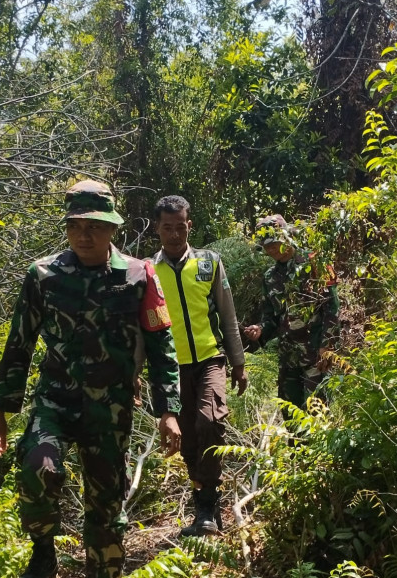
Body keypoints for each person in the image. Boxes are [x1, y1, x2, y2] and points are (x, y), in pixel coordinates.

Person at [0, 180, 182, 578]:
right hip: (55, 403)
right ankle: (43, 553)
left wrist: (169, 411)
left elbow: (161, 345)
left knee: (106, 510)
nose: (83, 235)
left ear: (112, 228)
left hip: (109, 411)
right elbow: (19, 343)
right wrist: (1, 411)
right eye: (75, 226)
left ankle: (104, 569)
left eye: (94, 226)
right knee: (38, 469)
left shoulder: (139, 275)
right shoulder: (44, 275)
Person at [150, 195, 248, 537]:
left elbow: (228, 315)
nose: (175, 235)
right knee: (188, 439)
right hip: (172, 368)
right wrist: (135, 372)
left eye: (181, 227)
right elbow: (142, 328)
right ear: (157, 228)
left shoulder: (209, 262)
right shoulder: (149, 271)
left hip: (210, 360)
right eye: (167, 228)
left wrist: (239, 362)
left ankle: (209, 502)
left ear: (189, 226)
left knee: (209, 423)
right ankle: (203, 506)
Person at [243, 214, 340, 409]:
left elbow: (332, 307)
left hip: (315, 352)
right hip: (288, 357)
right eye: (266, 246)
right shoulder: (270, 277)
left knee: (317, 411)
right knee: (290, 413)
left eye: (274, 243)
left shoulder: (316, 263)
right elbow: (270, 317)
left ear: (286, 236)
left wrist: (327, 346)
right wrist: (260, 329)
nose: (271, 249)